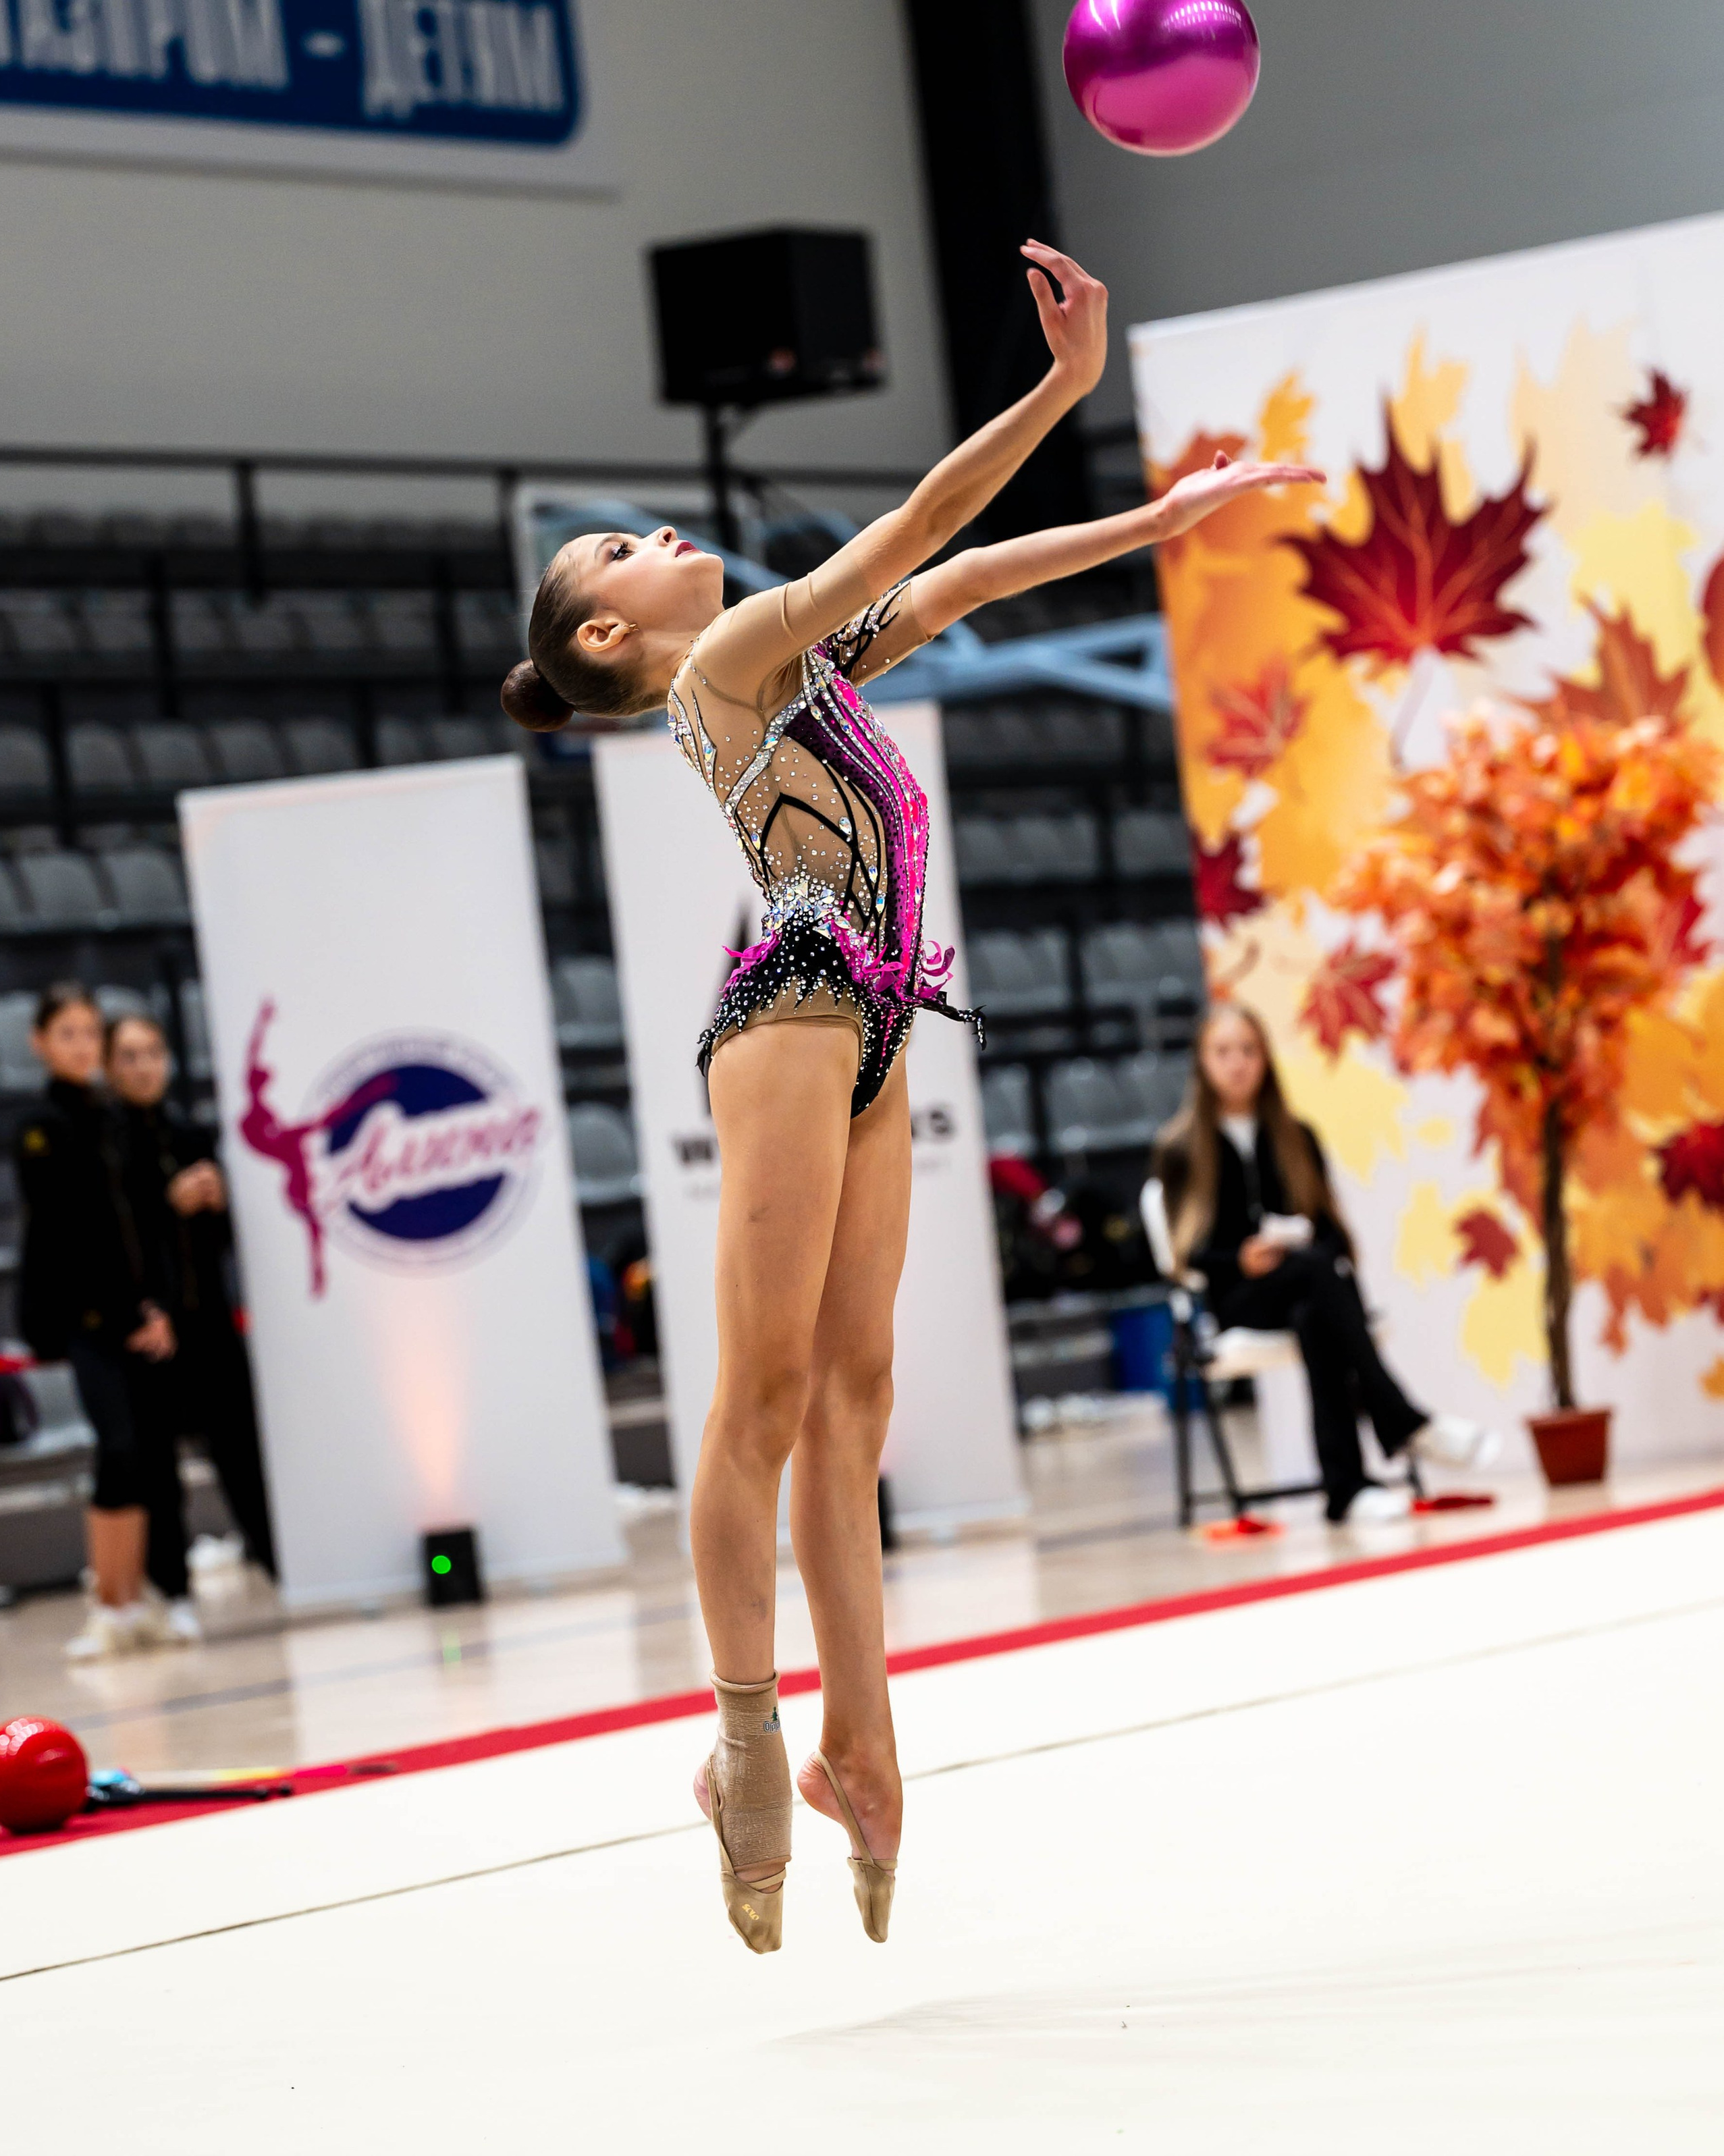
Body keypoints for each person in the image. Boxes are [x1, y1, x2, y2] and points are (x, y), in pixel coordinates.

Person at [504, 241, 1322, 1952]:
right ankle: (741, 1735)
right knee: (766, 1391)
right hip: (795, 1009)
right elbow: (915, 527)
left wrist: (1150, 527)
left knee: (856, 1396)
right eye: (621, 550)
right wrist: (1062, 392)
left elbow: (951, 587)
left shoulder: (786, 666)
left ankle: (858, 1739)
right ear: (608, 630)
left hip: (871, 1018)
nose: (661, 535)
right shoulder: (727, 659)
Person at [1154, 1002, 1497, 1525]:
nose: (1238, 1064)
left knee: (1315, 1306)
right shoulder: (1181, 1148)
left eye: (1248, 1050)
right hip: (1241, 1300)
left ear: (1265, 1058)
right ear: (1202, 1062)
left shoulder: (1297, 1137)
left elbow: (1335, 1235)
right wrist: (1241, 1259)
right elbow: (1185, 1255)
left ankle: (1348, 1490)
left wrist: (1297, 1245)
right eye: (1223, 1052)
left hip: (1308, 1290)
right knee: (1319, 1280)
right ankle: (1401, 1420)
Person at [15, 983, 186, 1658]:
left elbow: (142, 1224)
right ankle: (107, 1602)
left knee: (144, 1456)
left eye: (90, 1034)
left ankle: (136, 1597)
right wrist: (127, 1311)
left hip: (139, 1314)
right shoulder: (41, 1127)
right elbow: (66, 1235)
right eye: (68, 1035)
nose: (82, 1047)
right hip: (89, 1318)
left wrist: (158, 1308)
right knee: (116, 1447)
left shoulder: (115, 1119)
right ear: (40, 1043)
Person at [105, 1011, 277, 1591]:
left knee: (245, 1452)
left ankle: (280, 1563)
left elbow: (228, 1241)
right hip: (151, 1332)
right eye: (128, 1055)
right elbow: (115, 1239)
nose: (143, 1066)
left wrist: (222, 1202)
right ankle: (171, 1592)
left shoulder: (192, 1135)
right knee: (158, 1470)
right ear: (109, 1067)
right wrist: (167, 1204)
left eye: (152, 1052)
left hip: (210, 1323)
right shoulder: (109, 1148)